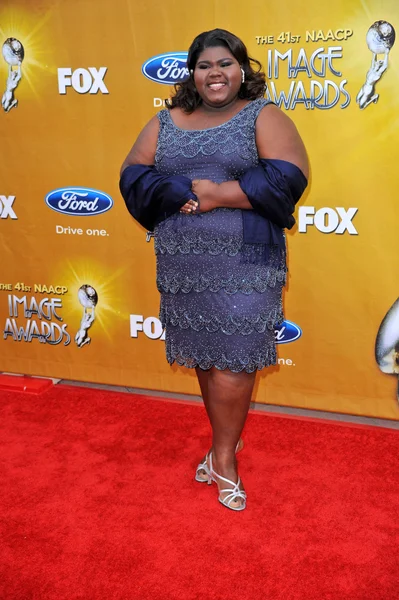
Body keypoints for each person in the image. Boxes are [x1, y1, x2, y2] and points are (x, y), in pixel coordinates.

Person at [120, 28, 309, 511]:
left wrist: (216, 195)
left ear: (241, 70)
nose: (215, 73)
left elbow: (288, 175)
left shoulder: (261, 115)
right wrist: (180, 191)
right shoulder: (166, 121)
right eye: (204, 66)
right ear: (193, 74)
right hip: (184, 259)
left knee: (236, 358)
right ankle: (220, 449)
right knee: (206, 353)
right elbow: (133, 176)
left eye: (224, 64)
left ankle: (223, 458)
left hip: (246, 259)